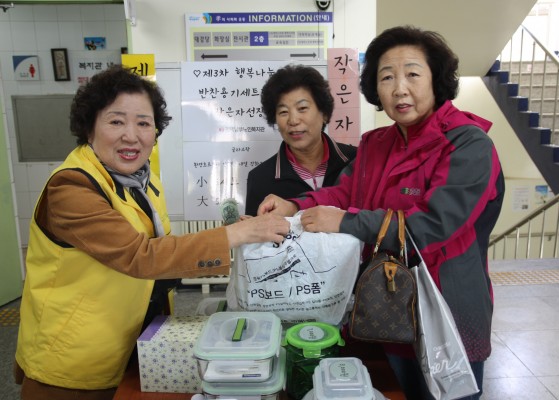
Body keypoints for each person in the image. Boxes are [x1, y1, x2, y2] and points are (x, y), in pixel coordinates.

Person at [13, 65, 290, 400]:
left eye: (144, 123)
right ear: (89, 128)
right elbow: (139, 255)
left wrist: (235, 231)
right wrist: (236, 235)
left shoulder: (142, 181)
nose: (132, 136)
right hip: (73, 362)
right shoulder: (71, 188)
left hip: (133, 339)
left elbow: (160, 248)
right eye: (116, 122)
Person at [258, 26, 505, 399]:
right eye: (387, 77)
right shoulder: (376, 144)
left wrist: (346, 222)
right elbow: (346, 191)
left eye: (412, 74)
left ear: (436, 79)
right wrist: (297, 204)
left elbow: (431, 227)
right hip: (386, 307)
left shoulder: (469, 144)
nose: (399, 88)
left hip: (447, 313)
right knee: (394, 389)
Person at [244, 64, 356, 216]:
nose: (293, 120)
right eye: (283, 112)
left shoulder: (356, 160)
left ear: (324, 113)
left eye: (302, 108)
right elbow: (256, 231)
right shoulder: (260, 178)